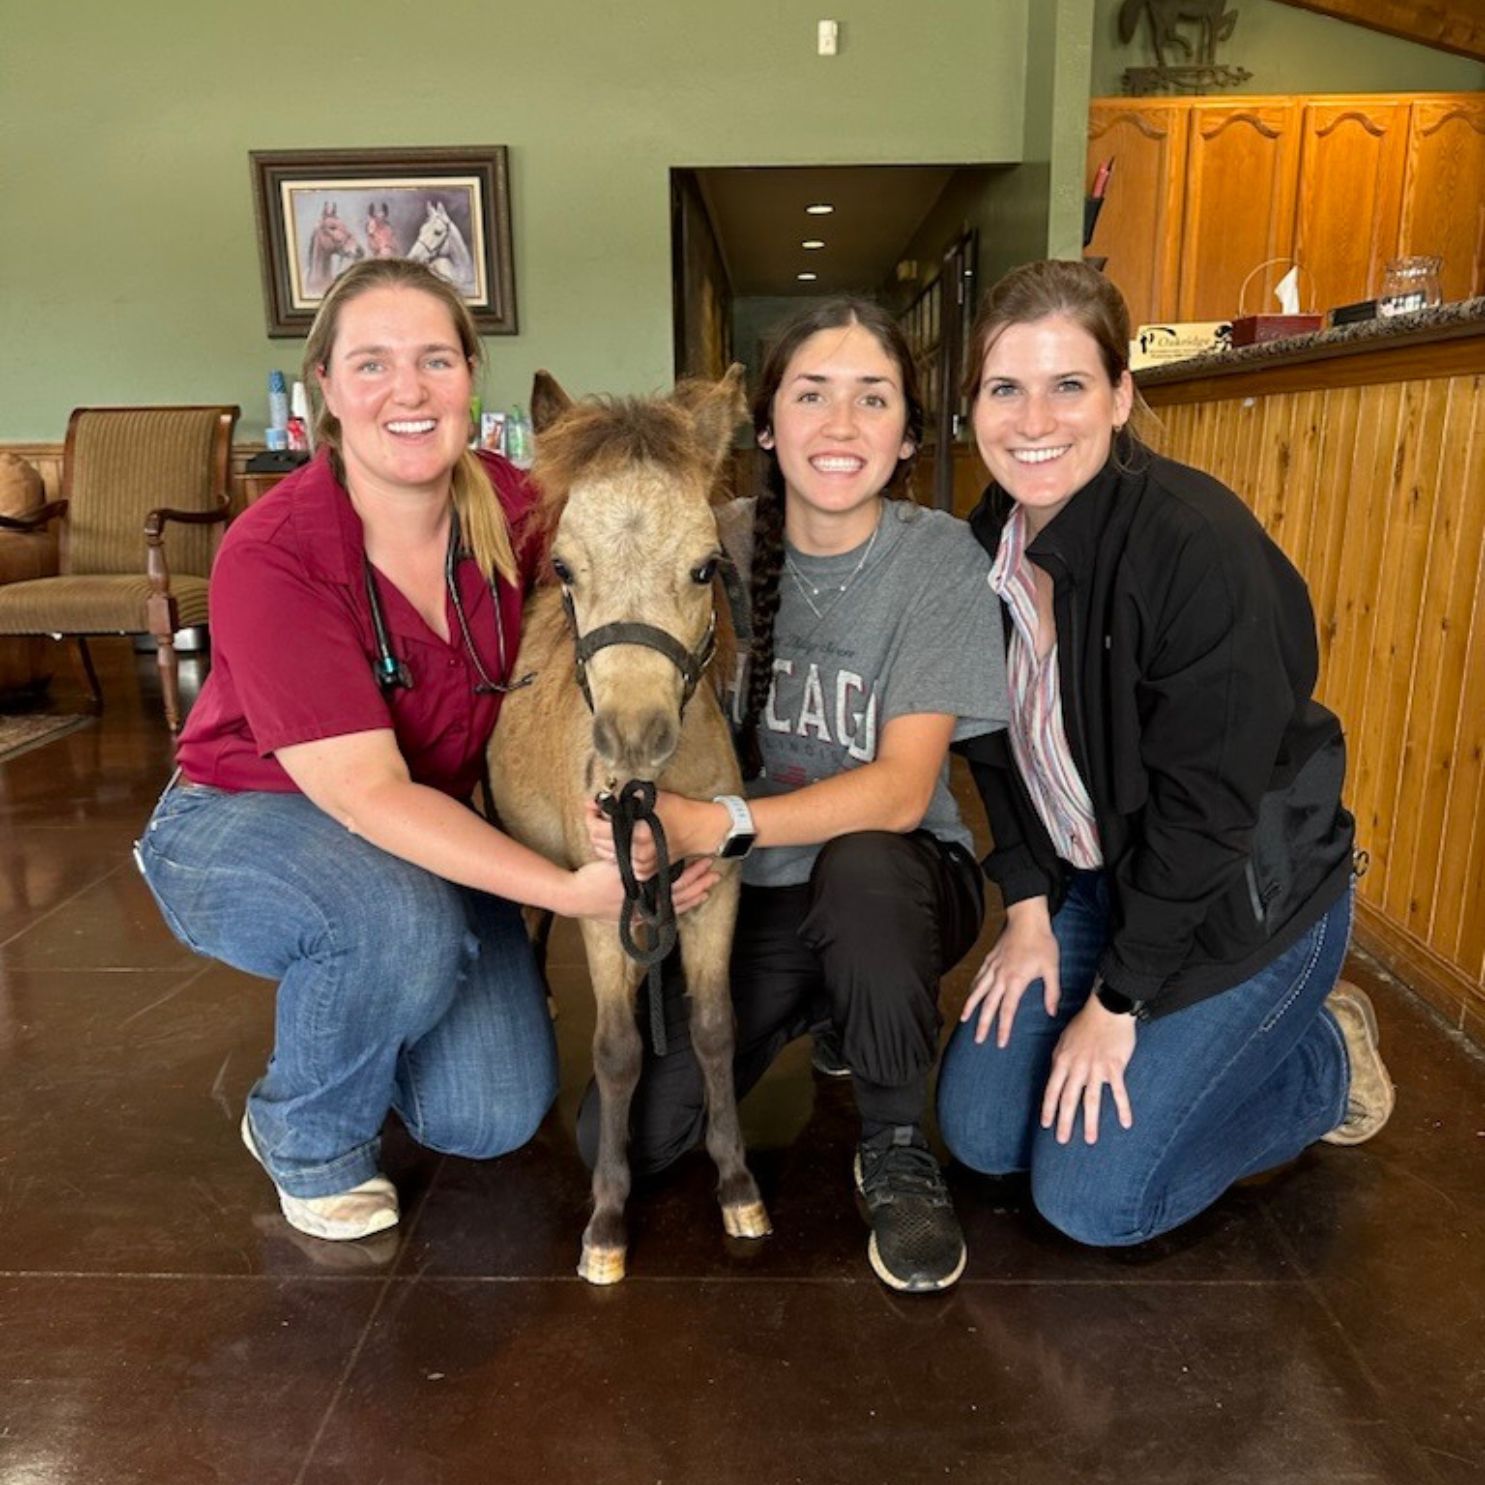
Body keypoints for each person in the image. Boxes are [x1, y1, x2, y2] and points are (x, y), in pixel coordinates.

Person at [134, 258, 713, 1244]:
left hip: (427, 823)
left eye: (434, 360)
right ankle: (305, 1131)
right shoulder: (275, 553)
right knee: (399, 924)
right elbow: (365, 793)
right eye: (372, 363)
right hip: (245, 821)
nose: (407, 389)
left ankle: (379, 1000)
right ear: (326, 386)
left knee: (487, 1117)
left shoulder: (516, 503)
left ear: (470, 377)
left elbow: (631, 560)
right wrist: (566, 889)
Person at [935, 259, 1394, 1248]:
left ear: (1120, 396)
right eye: (1005, 388)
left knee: (1096, 1201)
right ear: (972, 404)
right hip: (1101, 885)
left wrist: (1117, 1002)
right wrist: (1025, 911)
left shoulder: (1194, 546)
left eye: (1069, 385)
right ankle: (1191, 1044)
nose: (1033, 420)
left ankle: (1321, 1062)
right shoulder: (985, 545)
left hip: (1237, 907)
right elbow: (990, 746)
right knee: (978, 1138)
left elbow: (1207, 820)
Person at [581, 298, 1008, 1293]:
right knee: (625, 1142)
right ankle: (834, 1014)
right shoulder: (707, 540)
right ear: (767, 427)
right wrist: (645, 836)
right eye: (813, 396)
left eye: (875, 399)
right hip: (750, 890)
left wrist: (715, 824)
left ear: (908, 433)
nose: (843, 424)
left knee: (862, 873)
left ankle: (897, 1141)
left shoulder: (939, 559)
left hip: (898, 885)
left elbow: (904, 792)